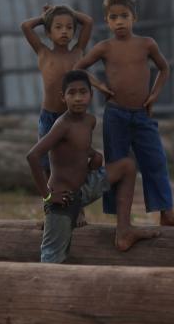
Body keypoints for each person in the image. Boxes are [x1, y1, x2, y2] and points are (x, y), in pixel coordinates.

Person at [72, 0, 174, 227]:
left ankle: (165, 212)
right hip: (116, 114)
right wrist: (100, 85)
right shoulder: (105, 47)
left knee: (155, 160)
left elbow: (164, 68)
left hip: (142, 115)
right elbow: (79, 67)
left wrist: (154, 95)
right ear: (107, 21)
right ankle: (121, 220)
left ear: (134, 17)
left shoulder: (146, 44)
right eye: (113, 17)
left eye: (124, 16)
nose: (119, 22)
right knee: (116, 164)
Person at [27, 69, 159, 263]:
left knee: (127, 166)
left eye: (83, 92)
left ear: (91, 94)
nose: (78, 98)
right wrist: (47, 196)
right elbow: (33, 156)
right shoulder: (62, 125)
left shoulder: (90, 120)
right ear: (63, 97)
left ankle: (124, 232)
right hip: (63, 200)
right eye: (72, 93)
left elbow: (77, 147)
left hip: (85, 188)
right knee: (52, 259)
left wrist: (93, 155)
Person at [20, 4, 95, 174]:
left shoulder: (78, 52)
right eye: (58, 27)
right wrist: (47, 16)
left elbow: (88, 22)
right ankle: (51, 197)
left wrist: (66, 11)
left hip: (72, 117)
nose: (64, 31)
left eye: (69, 28)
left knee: (72, 158)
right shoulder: (43, 53)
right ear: (48, 32)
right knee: (46, 161)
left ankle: (72, 196)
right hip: (49, 116)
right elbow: (25, 26)